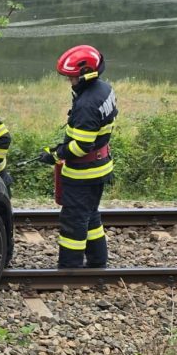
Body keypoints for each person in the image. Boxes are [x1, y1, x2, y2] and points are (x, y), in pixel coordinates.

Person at [38, 44, 118, 268]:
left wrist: (55, 154)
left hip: (84, 172)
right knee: (90, 214)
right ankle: (97, 261)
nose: (69, 81)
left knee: (73, 220)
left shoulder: (86, 104)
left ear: (86, 74)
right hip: (100, 166)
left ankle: (70, 268)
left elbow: (82, 146)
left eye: (72, 77)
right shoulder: (104, 89)